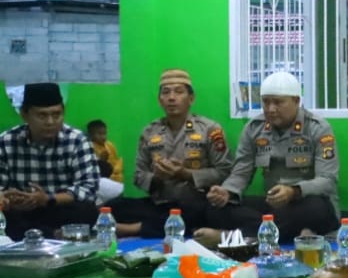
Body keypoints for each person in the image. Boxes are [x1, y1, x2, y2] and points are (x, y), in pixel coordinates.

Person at [199, 71, 340, 244]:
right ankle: (286, 233)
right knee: (215, 209)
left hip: (306, 202)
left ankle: (235, 237)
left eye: (278, 102)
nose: (271, 109)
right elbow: (241, 173)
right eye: (266, 102)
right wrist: (226, 192)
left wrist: (293, 191)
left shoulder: (317, 128)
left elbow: (327, 181)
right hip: (274, 205)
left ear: (296, 101)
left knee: (317, 209)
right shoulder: (254, 128)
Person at [109, 70, 233, 238]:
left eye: (179, 92)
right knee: (113, 207)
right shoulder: (150, 131)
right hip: (160, 203)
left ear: (191, 98)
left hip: (196, 203)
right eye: (166, 92)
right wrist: (157, 178)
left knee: (202, 213)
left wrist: (185, 174)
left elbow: (224, 171)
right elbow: (138, 175)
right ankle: (155, 226)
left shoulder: (210, 129)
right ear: (160, 100)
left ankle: (132, 229)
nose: (171, 98)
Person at [0, 83, 99, 240]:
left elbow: (89, 188)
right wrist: (7, 198)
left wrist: (47, 199)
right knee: (7, 216)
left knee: (87, 211)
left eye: (56, 114)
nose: (50, 122)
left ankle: (38, 234)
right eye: (42, 116)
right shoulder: (6, 141)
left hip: (57, 209)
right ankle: (52, 235)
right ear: (24, 115)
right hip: (20, 213)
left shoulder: (77, 140)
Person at [87, 119, 124, 205]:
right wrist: (102, 160)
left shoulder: (109, 145)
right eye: (100, 134)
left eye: (104, 133)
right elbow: (97, 169)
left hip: (116, 177)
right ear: (91, 135)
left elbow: (116, 161)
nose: (103, 137)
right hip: (104, 180)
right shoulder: (89, 147)